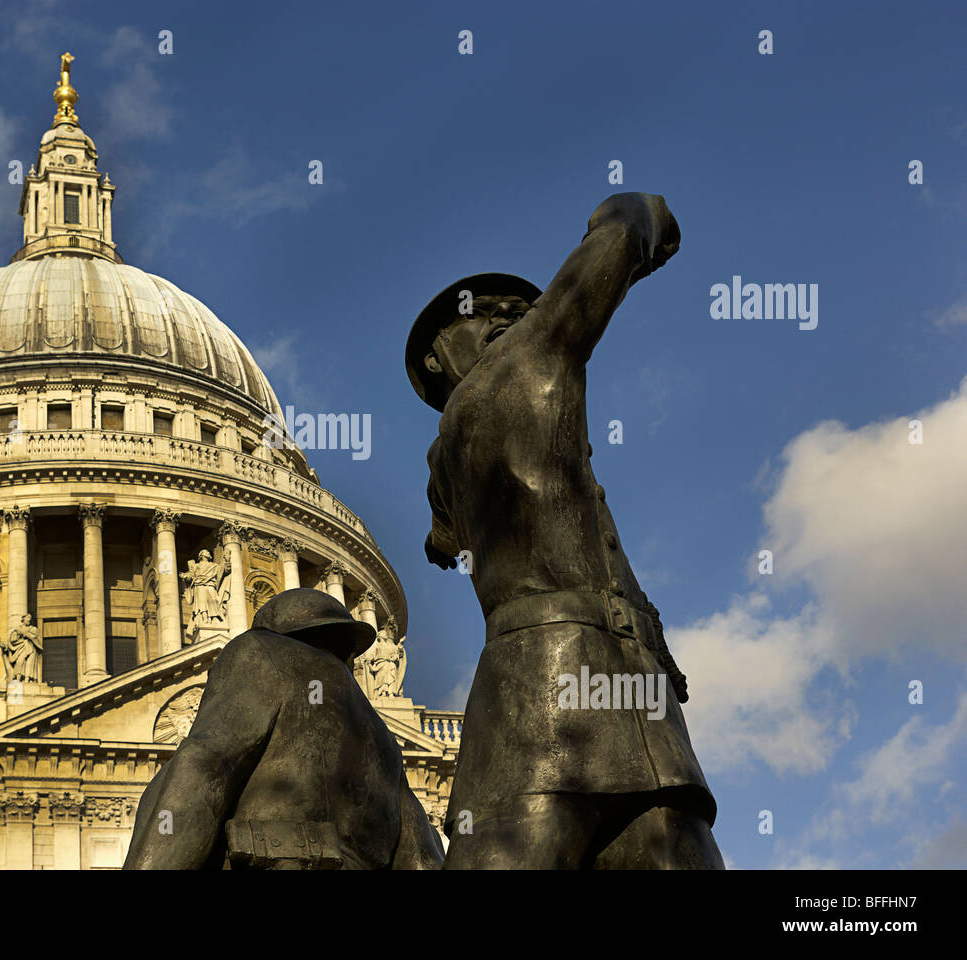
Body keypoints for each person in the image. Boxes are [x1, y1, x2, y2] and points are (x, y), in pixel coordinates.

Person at [406, 193, 723, 869]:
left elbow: (442, 543)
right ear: (438, 360)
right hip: (581, 694)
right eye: (481, 316)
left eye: (514, 312)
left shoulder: (445, 463)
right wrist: (643, 216)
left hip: (590, 701)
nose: (507, 320)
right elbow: (624, 232)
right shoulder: (531, 360)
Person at [124, 588, 443, 870]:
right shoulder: (384, 741)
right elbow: (423, 858)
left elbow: (204, 766)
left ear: (275, 633)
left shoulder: (260, 652)